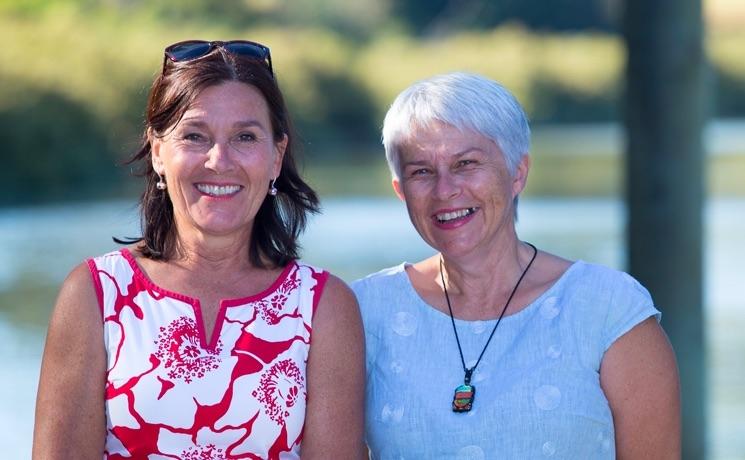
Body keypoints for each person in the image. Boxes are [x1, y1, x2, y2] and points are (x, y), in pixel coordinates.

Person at [33, 40, 365, 459]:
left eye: (245, 137)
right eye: (194, 136)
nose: (219, 160)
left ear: (276, 157)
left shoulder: (323, 306)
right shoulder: (95, 295)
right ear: (158, 151)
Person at [352, 72, 680, 459]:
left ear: (517, 173)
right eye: (421, 171)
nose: (445, 190)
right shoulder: (363, 311)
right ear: (400, 190)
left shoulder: (608, 309)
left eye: (466, 163)